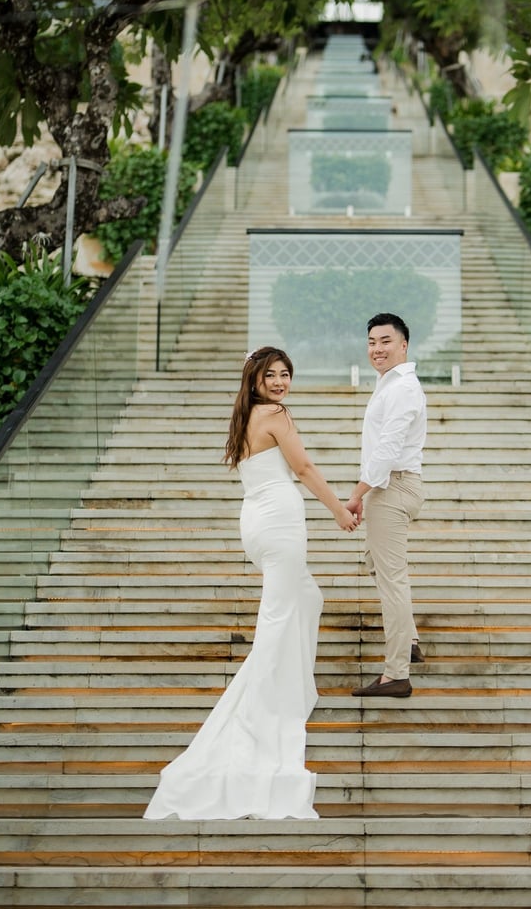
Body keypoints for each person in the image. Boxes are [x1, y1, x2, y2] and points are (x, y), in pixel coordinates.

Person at [143, 346, 358, 821]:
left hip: (257, 522)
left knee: (307, 597)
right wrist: (340, 510)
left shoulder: (244, 416)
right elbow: (302, 469)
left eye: (285, 374)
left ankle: (292, 687)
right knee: (278, 620)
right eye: (271, 375)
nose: (280, 382)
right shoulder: (275, 414)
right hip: (279, 521)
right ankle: (263, 711)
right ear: (255, 379)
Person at [346, 313, 427, 699]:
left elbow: (388, 450)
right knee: (378, 563)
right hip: (391, 487)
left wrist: (358, 493)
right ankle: (408, 638)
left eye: (385, 342)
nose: (376, 349)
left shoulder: (403, 389)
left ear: (404, 345)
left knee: (392, 580)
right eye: (371, 342)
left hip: (391, 486)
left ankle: (397, 673)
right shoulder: (390, 384)